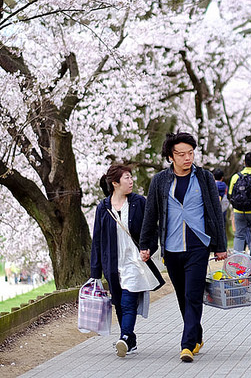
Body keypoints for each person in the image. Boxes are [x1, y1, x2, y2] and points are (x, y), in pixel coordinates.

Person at [140, 132, 227, 363]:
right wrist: (146, 245)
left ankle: (186, 344)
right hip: (172, 247)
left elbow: (215, 213)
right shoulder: (160, 180)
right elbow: (152, 215)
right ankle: (196, 333)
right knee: (182, 296)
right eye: (181, 154)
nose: (187, 158)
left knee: (193, 294)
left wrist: (220, 245)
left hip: (198, 245)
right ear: (171, 157)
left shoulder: (205, 178)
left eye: (190, 153)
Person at [90, 163, 165, 358]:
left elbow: (152, 230)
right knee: (119, 302)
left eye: (131, 177)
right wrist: (95, 272)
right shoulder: (103, 208)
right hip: (113, 264)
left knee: (128, 300)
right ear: (115, 183)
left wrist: (148, 248)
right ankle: (130, 341)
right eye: (126, 178)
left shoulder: (140, 202)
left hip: (135, 261)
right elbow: (97, 240)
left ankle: (123, 336)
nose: (131, 181)